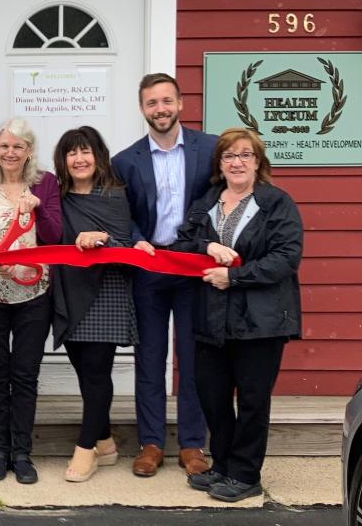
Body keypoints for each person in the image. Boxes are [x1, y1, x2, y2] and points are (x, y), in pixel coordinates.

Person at [172, 128, 302, 502]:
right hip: (210, 319)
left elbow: (286, 258)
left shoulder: (277, 203)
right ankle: (224, 466)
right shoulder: (208, 201)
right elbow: (182, 244)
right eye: (229, 156)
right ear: (220, 164)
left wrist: (235, 277)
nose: (237, 162)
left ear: (258, 162)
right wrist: (207, 244)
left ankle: (246, 475)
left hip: (260, 321)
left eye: (245, 155)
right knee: (212, 396)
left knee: (252, 400)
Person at [111, 73, 218, 478]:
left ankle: (193, 444)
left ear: (180, 104)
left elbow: (218, 201)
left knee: (193, 359)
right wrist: (137, 240)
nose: (160, 109)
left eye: (166, 101)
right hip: (150, 267)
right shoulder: (125, 161)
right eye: (152, 103)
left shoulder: (209, 150)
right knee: (150, 358)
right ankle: (151, 442)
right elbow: (125, 216)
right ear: (142, 109)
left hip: (192, 266)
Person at [0, 118, 61, 484]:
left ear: (29, 151)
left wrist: (37, 207)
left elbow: (54, 235)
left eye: (18, 146)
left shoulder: (45, 184)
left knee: (24, 375)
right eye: (4, 146)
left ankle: (22, 453)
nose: (10, 152)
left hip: (35, 295)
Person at [50, 126, 137, 483]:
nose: (79, 159)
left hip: (106, 291)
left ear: (98, 156)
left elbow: (126, 243)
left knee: (97, 372)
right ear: (64, 160)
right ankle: (105, 441)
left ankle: (86, 449)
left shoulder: (115, 195)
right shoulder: (58, 198)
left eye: (86, 151)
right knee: (84, 371)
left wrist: (104, 238)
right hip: (70, 291)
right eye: (72, 153)